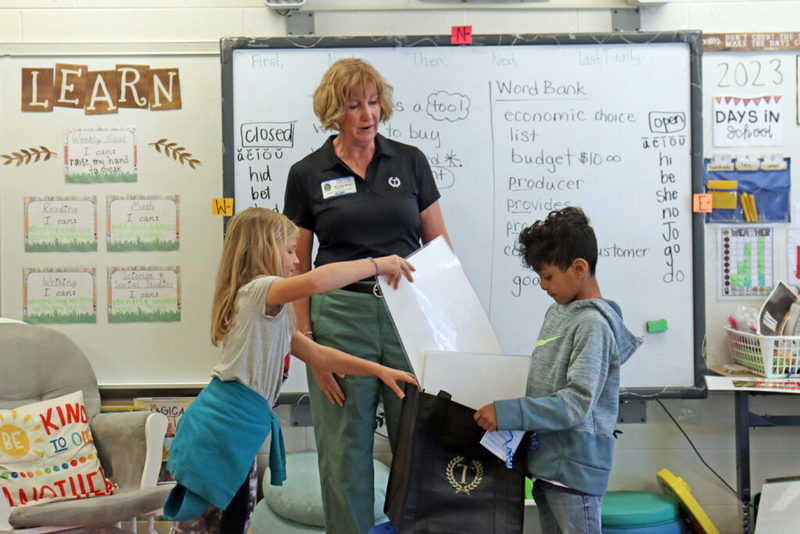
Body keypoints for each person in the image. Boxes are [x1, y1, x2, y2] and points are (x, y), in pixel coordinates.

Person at [162, 207, 418, 534]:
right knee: (204, 527)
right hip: (219, 431)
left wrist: (378, 370)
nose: (296, 261)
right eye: (289, 250)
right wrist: (377, 264)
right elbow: (316, 281)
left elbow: (318, 355)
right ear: (262, 250)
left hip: (237, 430)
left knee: (235, 522)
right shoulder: (259, 291)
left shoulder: (272, 311)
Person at [283, 57, 451, 533]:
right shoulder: (307, 173)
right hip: (339, 316)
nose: (367, 114)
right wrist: (309, 345)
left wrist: (449, 325)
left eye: (373, 102)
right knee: (344, 451)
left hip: (409, 313)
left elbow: (440, 248)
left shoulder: (410, 161)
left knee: (418, 445)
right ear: (334, 111)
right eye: (354, 105)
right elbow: (297, 266)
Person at [474, 206, 641, 534]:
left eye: (547, 276)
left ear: (579, 268)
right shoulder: (558, 313)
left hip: (574, 474)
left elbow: (576, 404)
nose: (541, 285)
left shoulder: (593, 324)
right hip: (547, 468)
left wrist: (508, 413)